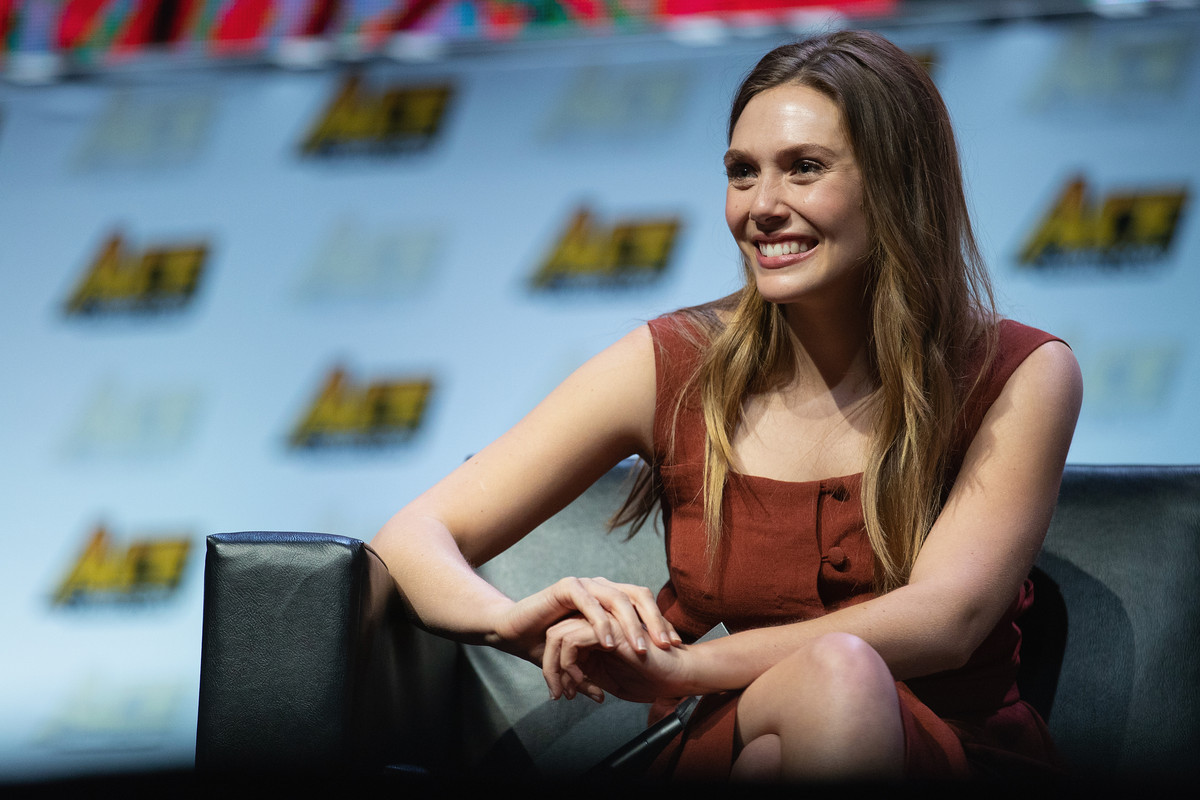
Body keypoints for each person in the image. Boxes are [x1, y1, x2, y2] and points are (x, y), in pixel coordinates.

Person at [371, 30, 1082, 783]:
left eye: (804, 169)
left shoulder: (1021, 371)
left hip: (952, 757)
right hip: (739, 729)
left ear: (898, 183)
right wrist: (505, 622)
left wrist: (681, 672)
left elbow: (947, 620)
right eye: (742, 173)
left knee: (825, 695)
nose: (763, 207)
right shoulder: (672, 362)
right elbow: (410, 537)